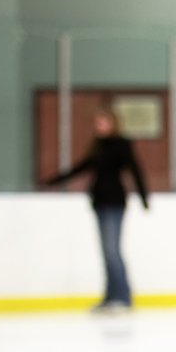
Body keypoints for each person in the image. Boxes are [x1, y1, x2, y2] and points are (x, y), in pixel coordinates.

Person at [44, 108, 149, 312]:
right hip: (99, 202)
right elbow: (81, 167)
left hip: (115, 202)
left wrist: (144, 198)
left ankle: (123, 297)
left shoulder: (121, 145)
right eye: (97, 123)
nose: (99, 127)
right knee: (106, 252)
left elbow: (135, 169)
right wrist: (53, 181)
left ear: (113, 124)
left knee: (112, 251)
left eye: (103, 123)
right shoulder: (98, 147)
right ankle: (111, 297)